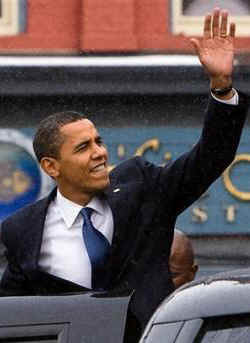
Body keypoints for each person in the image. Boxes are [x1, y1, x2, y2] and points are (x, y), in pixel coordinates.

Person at [0, 7, 248, 339]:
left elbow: (209, 159)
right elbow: (12, 314)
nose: (99, 152)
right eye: (82, 147)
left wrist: (221, 87)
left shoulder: (141, 187)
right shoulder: (23, 230)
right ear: (51, 167)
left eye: (98, 141)